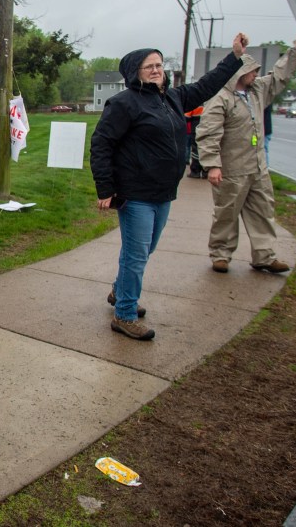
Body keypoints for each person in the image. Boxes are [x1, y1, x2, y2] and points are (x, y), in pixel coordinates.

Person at [91, 33, 247, 341]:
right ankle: (124, 314)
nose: (156, 69)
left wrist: (235, 56)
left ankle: (120, 290)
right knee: (136, 255)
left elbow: (207, 85)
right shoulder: (124, 103)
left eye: (159, 64)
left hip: (163, 193)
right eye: (148, 65)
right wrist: (105, 188)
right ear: (134, 71)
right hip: (136, 193)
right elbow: (101, 144)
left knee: (145, 250)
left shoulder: (173, 98)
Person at [196, 32, 296, 274]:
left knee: (263, 212)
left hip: (257, 167)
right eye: (252, 70)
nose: (256, 74)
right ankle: (221, 254)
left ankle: (264, 256)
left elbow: (279, 76)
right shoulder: (221, 99)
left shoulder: (257, 91)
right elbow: (208, 132)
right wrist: (213, 164)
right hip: (231, 169)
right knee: (226, 215)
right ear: (239, 72)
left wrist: (295, 49)